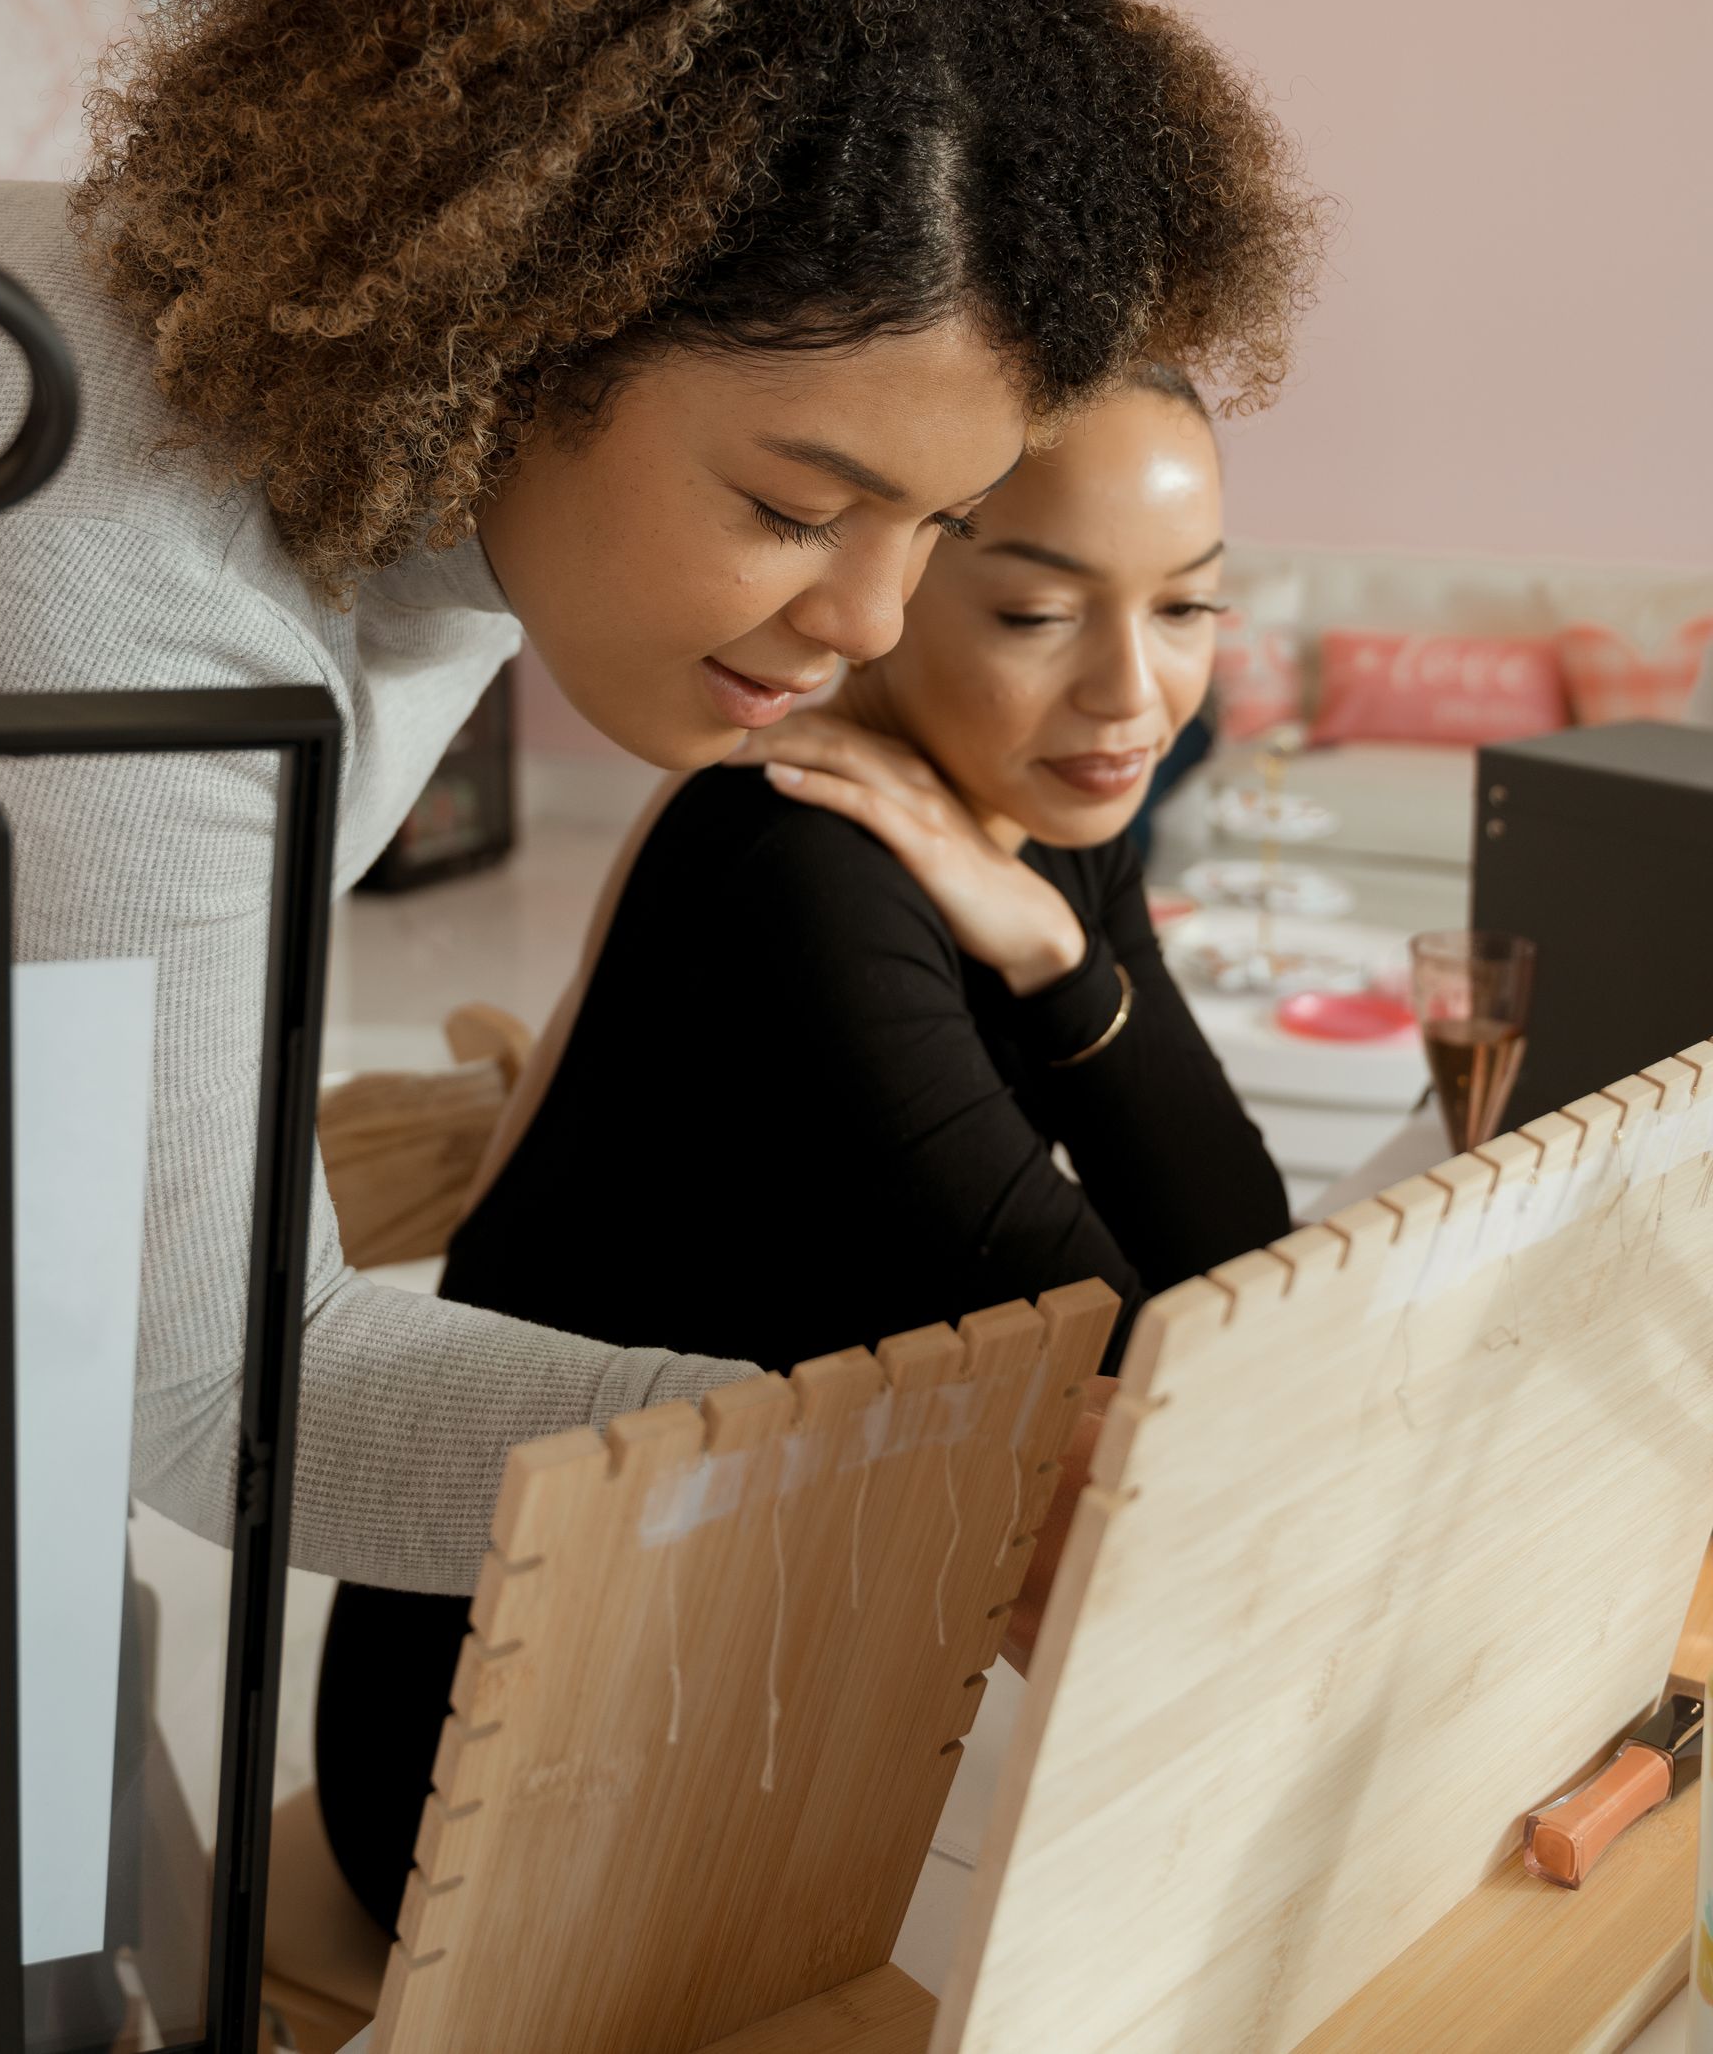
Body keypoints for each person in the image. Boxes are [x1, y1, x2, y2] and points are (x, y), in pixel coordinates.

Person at [0, 0, 1312, 1613]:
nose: (862, 621)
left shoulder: (391, 455)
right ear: (516, 317)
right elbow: (192, 1390)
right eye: (790, 507)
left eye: (934, 525)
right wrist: (905, 1481)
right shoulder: (107, 588)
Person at [315, 362, 1289, 1924]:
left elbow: (1240, 1257)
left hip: (764, 1649)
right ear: (902, 581)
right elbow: (1157, 1379)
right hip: (513, 1755)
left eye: (1187, 610)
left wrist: (1057, 951)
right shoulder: (797, 870)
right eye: (1040, 615)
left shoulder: (1030, 813)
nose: (1129, 694)